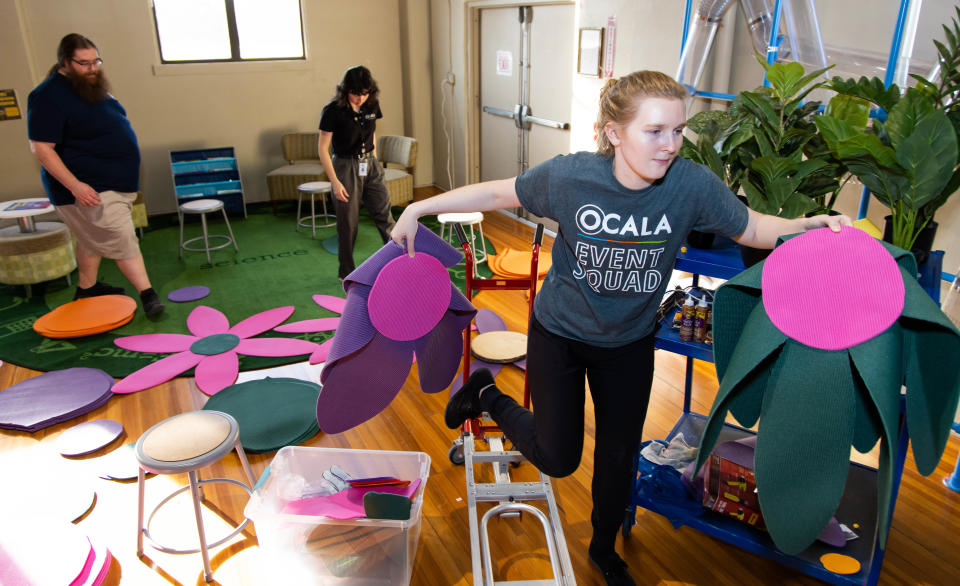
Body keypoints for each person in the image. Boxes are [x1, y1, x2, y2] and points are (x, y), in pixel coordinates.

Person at [390, 71, 852, 585]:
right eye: (655, 131)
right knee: (557, 458)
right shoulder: (570, 179)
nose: (671, 146)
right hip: (560, 334)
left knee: (616, 458)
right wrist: (419, 205)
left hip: (629, 344)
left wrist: (804, 226)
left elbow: (755, 227)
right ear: (613, 132)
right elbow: (499, 193)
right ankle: (486, 393)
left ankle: (604, 547)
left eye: (678, 131)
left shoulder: (690, 185)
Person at [27, 33, 164, 317]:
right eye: (84, 63)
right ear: (65, 62)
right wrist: (76, 186)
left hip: (113, 181)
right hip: (88, 186)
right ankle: (148, 294)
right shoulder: (47, 95)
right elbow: (41, 147)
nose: (92, 68)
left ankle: (87, 289)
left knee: (91, 238)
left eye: (96, 61)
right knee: (121, 236)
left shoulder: (90, 87)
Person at [318, 65, 396, 279]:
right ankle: (347, 273)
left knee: (384, 215)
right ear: (345, 90)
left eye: (364, 93)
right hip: (345, 167)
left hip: (370, 164)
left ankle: (399, 263)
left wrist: (375, 161)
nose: (359, 98)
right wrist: (334, 181)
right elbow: (323, 149)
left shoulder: (372, 105)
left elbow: (372, 134)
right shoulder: (333, 111)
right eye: (355, 93)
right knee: (348, 224)